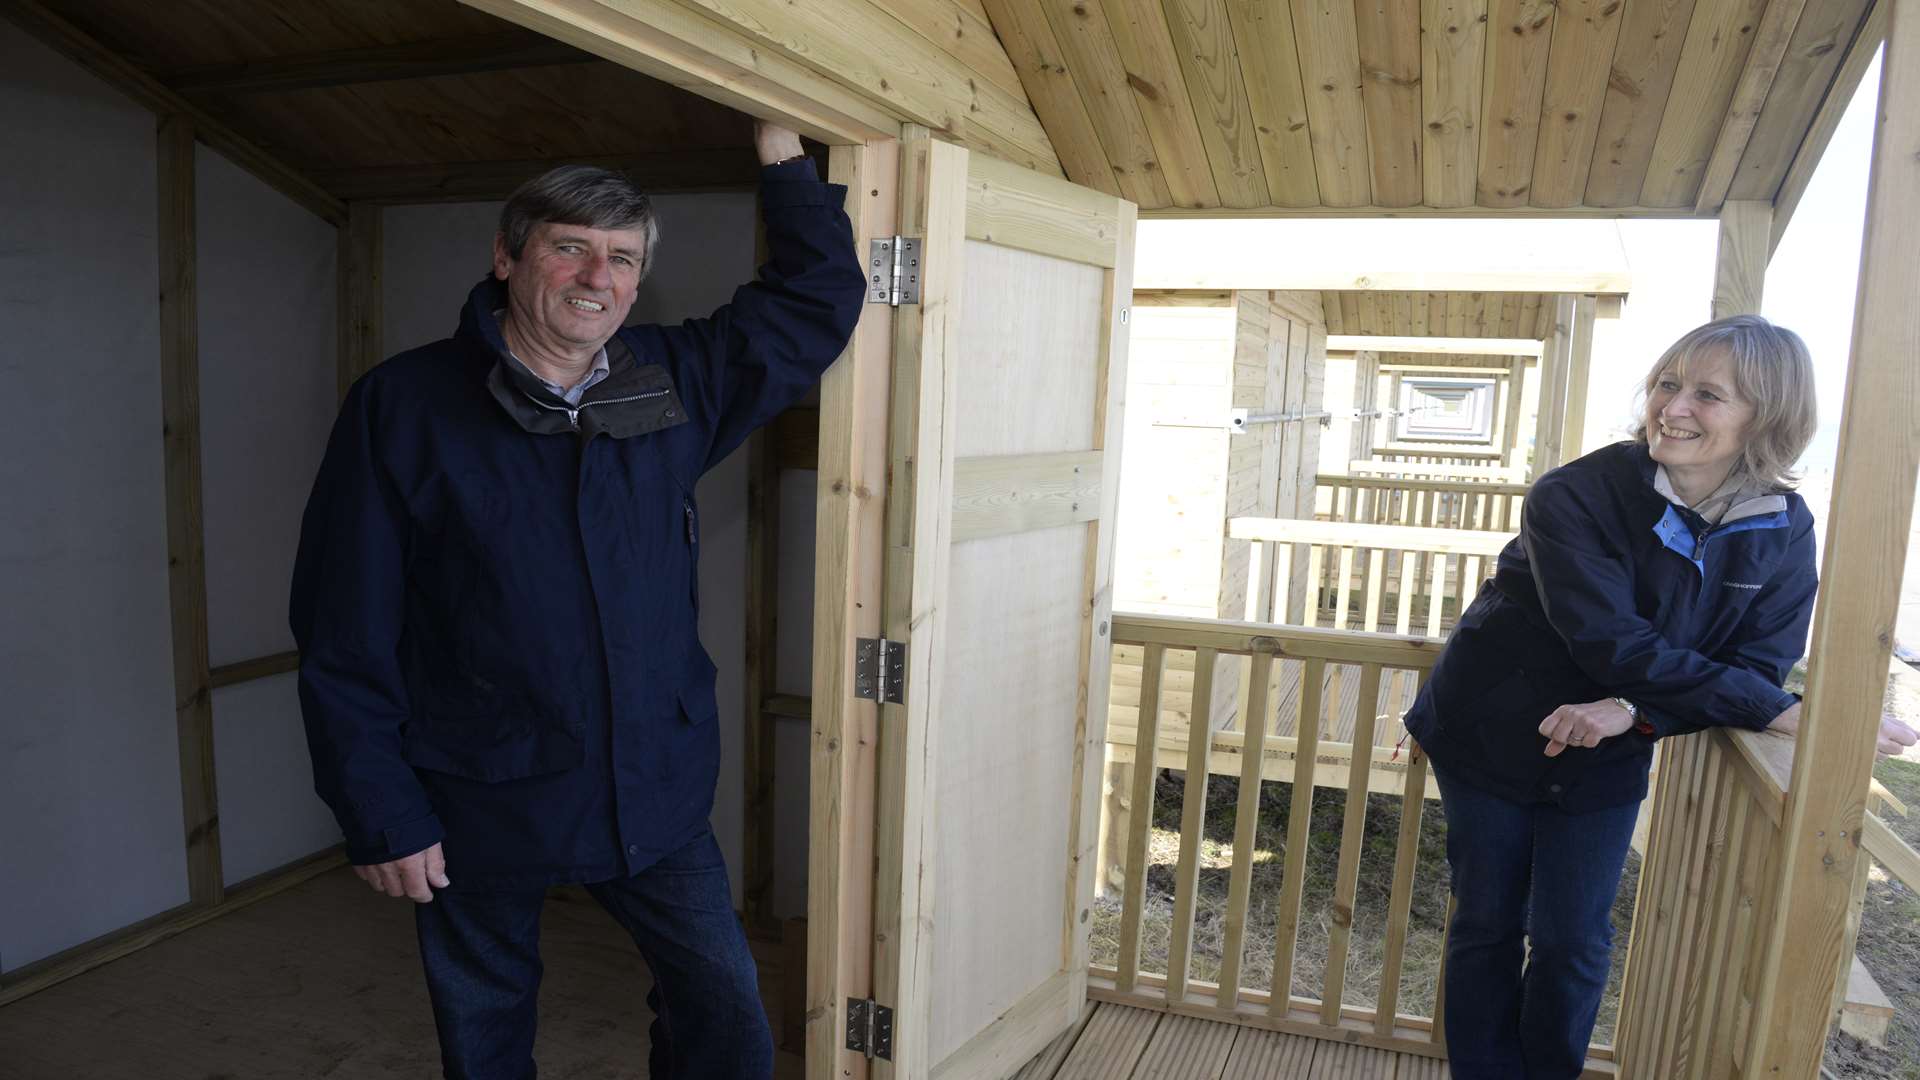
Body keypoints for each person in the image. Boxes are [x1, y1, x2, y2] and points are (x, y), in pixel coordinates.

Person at [289, 121, 865, 1080]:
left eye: (623, 258)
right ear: (509, 257)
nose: (599, 276)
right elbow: (344, 623)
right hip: (479, 787)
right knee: (486, 1026)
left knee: (722, 1011)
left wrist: (781, 152)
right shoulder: (406, 406)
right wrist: (380, 809)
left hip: (656, 787)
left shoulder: (671, 380)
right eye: (570, 247)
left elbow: (813, 301)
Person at [1401, 315, 1917, 1079]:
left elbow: (1756, 662)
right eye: (1669, 384)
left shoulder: (1784, 527)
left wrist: (1637, 712)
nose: (1673, 407)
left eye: (1708, 395)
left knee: (1575, 939)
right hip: (1488, 727)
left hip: (1613, 742)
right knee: (1487, 920)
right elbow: (1613, 644)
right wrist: (1776, 709)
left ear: (1765, 419)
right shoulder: (1573, 495)